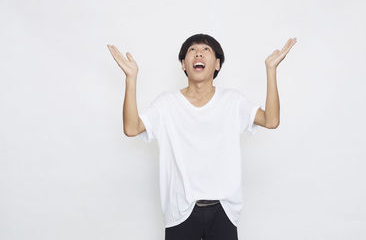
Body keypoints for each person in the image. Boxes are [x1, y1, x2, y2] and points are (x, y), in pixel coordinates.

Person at [107, 33, 297, 240]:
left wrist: (271, 70)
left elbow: (271, 120)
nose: (198, 53)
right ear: (183, 65)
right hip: (180, 212)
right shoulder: (166, 104)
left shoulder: (233, 101)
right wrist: (131, 78)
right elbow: (131, 128)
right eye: (192, 50)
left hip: (224, 210)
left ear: (217, 64)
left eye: (206, 49)